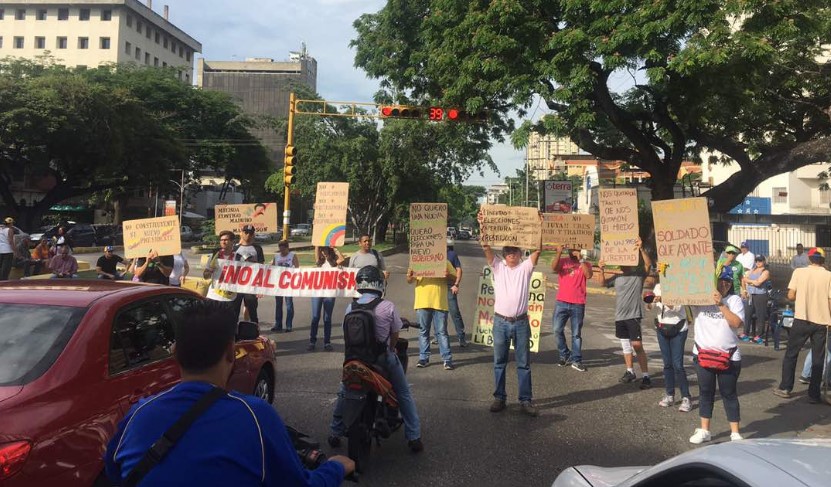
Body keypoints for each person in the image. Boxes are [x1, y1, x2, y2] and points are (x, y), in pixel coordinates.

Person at [105, 300, 355, 486]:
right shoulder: (255, 416)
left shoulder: (137, 415)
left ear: (176, 352)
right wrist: (334, 468)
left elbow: (114, 472)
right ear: (229, 352)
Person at [328, 266, 423, 453]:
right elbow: (394, 335)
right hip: (381, 359)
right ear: (380, 284)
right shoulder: (387, 306)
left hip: (355, 360)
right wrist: (390, 348)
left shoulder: (351, 306)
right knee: (403, 393)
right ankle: (414, 436)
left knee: (344, 391)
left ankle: (335, 431)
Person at [478, 210, 542, 416]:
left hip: (521, 323)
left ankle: (525, 400)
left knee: (523, 363)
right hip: (500, 323)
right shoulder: (498, 267)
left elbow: (538, 250)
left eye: (515, 251)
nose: (511, 254)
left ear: (520, 253)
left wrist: (539, 226)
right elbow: (485, 246)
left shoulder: (525, 268)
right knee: (499, 362)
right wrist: (482, 224)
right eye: (508, 251)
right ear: (504, 254)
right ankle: (499, 397)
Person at [688, 268, 746, 444]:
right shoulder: (699, 299)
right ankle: (705, 430)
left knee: (729, 393)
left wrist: (721, 304)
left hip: (728, 357)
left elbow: (736, 323)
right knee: (706, 392)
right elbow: (678, 294)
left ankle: (735, 433)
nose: (725, 284)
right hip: (703, 354)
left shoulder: (734, 300)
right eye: (721, 280)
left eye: (728, 282)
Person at [773, 247, 831, 404]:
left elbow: (791, 295)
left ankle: (785, 388)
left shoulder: (799, 272)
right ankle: (813, 394)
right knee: (818, 358)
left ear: (809, 259)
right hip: (822, 321)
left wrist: (803, 295)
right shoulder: (829, 276)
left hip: (801, 319)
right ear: (823, 260)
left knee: (792, 354)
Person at [599, 238, 653, 389]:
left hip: (633, 315)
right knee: (625, 345)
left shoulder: (638, 275)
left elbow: (648, 264)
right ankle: (630, 372)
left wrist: (641, 249)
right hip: (620, 316)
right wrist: (601, 269)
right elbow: (602, 283)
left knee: (637, 345)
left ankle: (646, 376)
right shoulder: (617, 277)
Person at [647, 283, 692, 412]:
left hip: (678, 328)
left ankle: (686, 397)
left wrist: (662, 299)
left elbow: (676, 308)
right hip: (662, 328)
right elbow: (650, 307)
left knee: (678, 364)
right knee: (667, 364)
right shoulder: (658, 286)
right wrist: (650, 301)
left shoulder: (680, 287)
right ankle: (670, 394)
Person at [406, 259, 457, 370]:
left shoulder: (445, 262)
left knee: (442, 332)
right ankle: (423, 358)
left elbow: (454, 278)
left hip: (439, 302)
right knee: (423, 331)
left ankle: (447, 359)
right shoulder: (417, 261)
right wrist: (410, 276)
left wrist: (447, 275)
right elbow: (409, 280)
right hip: (422, 302)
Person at [550, 245, 592, 372]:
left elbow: (589, 275)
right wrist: (558, 253)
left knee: (576, 334)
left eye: (576, 249)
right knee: (557, 330)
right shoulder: (563, 261)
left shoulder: (586, 263)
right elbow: (553, 268)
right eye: (570, 249)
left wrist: (581, 260)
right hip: (562, 302)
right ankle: (564, 354)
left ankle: (576, 360)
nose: (572, 251)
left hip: (578, 303)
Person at [308, 246, 345, 351]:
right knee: (315, 317)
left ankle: (327, 342)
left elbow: (342, 259)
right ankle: (312, 341)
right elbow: (316, 248)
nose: (323, 252)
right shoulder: (319, 261)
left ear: (329, 250)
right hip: (317, 292)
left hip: (329, 293)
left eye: (325, 250)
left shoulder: (334, 262)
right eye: (322, 250)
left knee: (327, 318)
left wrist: (336, 248)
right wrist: (318, 243)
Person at [232, 225, 265, 323]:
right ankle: (232, 335)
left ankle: (254, 334)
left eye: (250, 233)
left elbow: (261, 268)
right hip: (236, 286)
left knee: (252, 312)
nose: (248, 235)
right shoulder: (234, 248)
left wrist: (260, 287)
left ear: (253, 234)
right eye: (246, 232)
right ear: (241, 233)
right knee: (234, 312)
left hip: (251, 285)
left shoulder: (257, 248)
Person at [741, 255, 770, 344]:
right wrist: (746, 287)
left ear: (764, 261)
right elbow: (743, 279)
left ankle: (760, 335)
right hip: (750, 295)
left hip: (760, 296)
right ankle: (745, 333)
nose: (758, 262)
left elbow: (758, 283)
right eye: (756, 260)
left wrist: (749, 281)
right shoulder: (752, 270)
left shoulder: (765, 272)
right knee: (748, 314)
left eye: (760, 261)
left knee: (760, 315)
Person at [271, 240, 299, 333]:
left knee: (289, 304)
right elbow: (273, 268)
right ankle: (278, 324)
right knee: (278, 304)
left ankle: (289, 325)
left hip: (288, 283)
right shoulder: (276, 256)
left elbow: (297, 268)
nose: (282, 252)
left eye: (284, 250)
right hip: (278, 284)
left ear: (287, 248)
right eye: (280, 249)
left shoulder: (292, 255)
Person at [204, 230, 238, 303]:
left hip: (229, 298)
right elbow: (205, 276)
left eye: (226, 240)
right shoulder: (213, 256)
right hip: (213, 295)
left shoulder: (238, 258)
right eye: (221, 240)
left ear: (232, 242)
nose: (223, 242)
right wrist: (210, 271)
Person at [446, 238, 467, 347]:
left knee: (454, 312)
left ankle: (461, 336)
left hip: (449, 286)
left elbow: (459, 269)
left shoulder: (451, 255)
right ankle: (438, 335)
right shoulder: (434, 255)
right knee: (438, 312)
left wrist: (456, 284)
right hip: (437, 287)